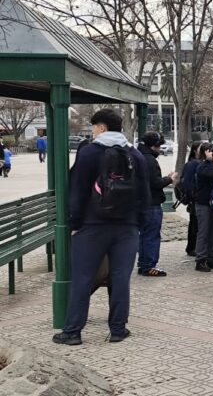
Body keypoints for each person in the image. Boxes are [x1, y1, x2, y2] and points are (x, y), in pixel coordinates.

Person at [53, 108, 149, 345]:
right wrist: (138, 224)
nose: (93, 132)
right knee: (119, 278)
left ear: (102, 127)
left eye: (94, 127)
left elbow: (76, 191)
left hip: (91, 226)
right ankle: (117, 329)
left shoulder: (89, 154)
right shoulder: (135, 155)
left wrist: (74, 223)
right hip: (126, 228)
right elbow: (145, 195)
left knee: (82, 279)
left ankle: (73, 331)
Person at [137, 132, 177, 277]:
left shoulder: (138, 156)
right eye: (159, 146)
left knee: (144, 235)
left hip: (141, 202)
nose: (160, 149)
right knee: (152, 235)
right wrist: (169, 179)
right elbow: (155, 183)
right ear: (154, 146)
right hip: (151, 202)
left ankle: (143, 263)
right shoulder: (150, 161)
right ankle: (149, 265)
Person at [193, 143, 213, 272]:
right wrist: (209, 161)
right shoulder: (202, 166)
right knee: (204, 232)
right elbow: (209, 175)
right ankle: (200, 260)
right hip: (203, 203)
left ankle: (211, 257)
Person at [181, 141, 202, 257]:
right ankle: (191, 247)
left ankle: (194, 246)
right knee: (194, 224)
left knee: (196, 224)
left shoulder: (200, 163)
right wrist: (191, 196)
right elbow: (187, 183)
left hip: (196, 198)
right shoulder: (192, 164)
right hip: (194, 199)